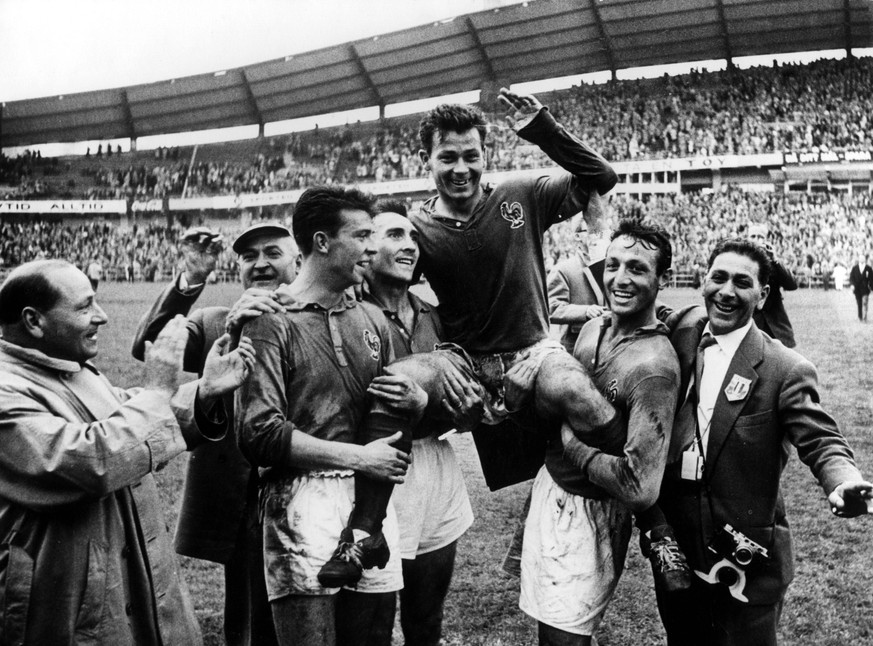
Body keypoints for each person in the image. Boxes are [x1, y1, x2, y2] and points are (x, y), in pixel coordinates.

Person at [319, 89, 624, 588]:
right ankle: (364, 531)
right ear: (428, 161)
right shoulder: (414, 228)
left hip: (533, 351)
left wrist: (542, 128)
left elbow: (600, 179)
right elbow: (360, 269)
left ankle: (651, 513)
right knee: (395, 383)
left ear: (487, 156)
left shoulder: (521, 193)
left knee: (580, 395)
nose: (461, 168)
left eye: (471, 156)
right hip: (461, 361)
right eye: (448, 157)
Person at [0, 259, 255, 645]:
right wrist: (156, 389)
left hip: (120, 582)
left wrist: (204, 390)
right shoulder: (6, 389)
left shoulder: (74, 370)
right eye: (85, 307)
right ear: (34, 321)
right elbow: (91, 461)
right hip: (64, 602)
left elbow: (129, 416)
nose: (101, 317)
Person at [656, 238, 872, 645]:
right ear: (703, 281)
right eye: (718, 278)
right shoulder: (681, 329)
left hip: (747, 562)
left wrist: (842, 479)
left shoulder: (785, 368)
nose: (726, 292)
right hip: (679, 554)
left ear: (763, 294)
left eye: (742, 282)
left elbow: (820, 437)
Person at [236, 186, 421, 646]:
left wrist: (416, 402)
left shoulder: (374, 319)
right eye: (361, 236)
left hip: (371, 503)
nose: (373, 247)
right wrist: (361, 457)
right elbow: (259, 433)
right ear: (322, 242)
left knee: (374, 637)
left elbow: (389, 414)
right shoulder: (270, 320)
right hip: (300, 499)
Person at [131, 223, 299, 646]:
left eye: (272, 252)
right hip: (241, 499)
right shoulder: (217, 322)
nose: (260, 263)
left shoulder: (321, 320)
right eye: (248, 256)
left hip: (307, 486)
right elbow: (152, 344)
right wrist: (191, 278)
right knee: (244, 622)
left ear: (299, 260)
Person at [521, 221, 680, 645]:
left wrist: (575, 451)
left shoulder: (653, 369)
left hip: (590, 515)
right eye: (613, 265)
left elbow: (640, 486)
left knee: (563, 639)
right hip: (550, 491)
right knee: (548, 633)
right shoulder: (594, 327)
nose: (620, 279)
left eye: (637, 268)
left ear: (662, 279)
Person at [362, 200, 475, 645]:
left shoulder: (434, 315)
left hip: (435, 464)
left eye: (413, 236)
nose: (409, 244)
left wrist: (463, 413)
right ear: (365, 248)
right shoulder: (348, 312)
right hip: (377, 471)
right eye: (394, 234)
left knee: (426, 618)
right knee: (372, 622)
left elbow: (461, 405)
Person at [546, 194, 607, 353]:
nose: (596, 234)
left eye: (599, 230)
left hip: (607, 346)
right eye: (590, 230)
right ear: (577, 236)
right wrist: (585, 311)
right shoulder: (563, 269)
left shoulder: (610, 266)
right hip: (576, 348)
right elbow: (551, 308)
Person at [747, 223, 797, 347]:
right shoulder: (741, 263)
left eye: (760, 237)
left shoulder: (773, 264)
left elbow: (792, 284)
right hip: (750, 327)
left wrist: (775, 259)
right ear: (747, 239)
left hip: (775, 328)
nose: (756, 240)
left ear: (766, 241)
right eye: (753, 236)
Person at [848, 253, 873, 321]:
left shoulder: (869, 268)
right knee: (859, 303)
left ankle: (865, 316)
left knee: (865, 302)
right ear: (859, 259)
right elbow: (851, 277)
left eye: (863, 258)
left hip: (865, 289)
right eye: (861, 258)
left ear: (865, 259)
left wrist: (871, 287)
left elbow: (871, 279)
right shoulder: (855, 268)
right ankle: (860, 316)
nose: (862, 259)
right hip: (857, 289)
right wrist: (852, 285)